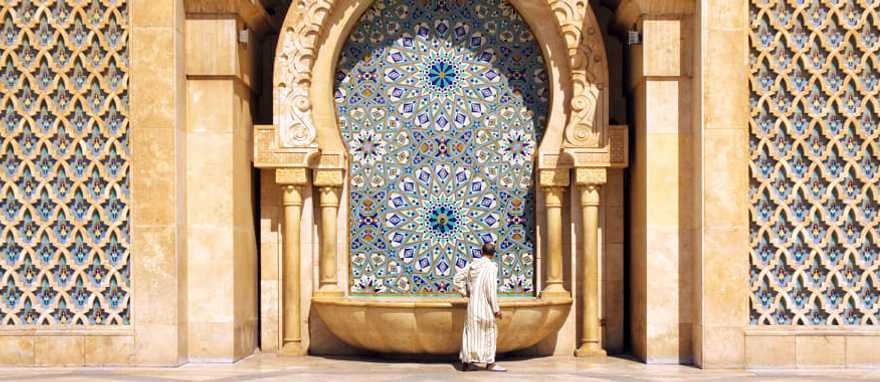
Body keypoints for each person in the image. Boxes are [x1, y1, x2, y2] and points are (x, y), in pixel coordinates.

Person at [453, 242, 506, 372]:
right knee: (490, 333)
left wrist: (465, 292)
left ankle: (466, 363)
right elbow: (490, 290)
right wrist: (496, 309)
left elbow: (457, 279)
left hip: (472, 306)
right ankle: (490, 363)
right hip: (485, 306)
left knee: (471, 334)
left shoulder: (473, 265)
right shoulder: (491, 267)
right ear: (493, 254)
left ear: (482, 252)